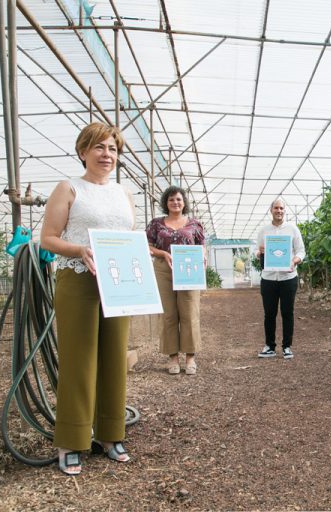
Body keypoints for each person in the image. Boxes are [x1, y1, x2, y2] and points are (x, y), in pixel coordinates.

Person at [40, 122, 135, 476]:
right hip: (78, 280)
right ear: (83, 152)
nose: (106, 154)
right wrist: (80, 249)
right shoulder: (68, 189)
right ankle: (72, 440)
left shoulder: (124, 194)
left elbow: (129, 236)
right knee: (79, 360)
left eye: (112, 149)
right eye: (99, 147)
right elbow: (48, 239)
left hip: (118, 281)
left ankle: (110, 434)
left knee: (114, 357)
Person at [146, 186, 206, 375]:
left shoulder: (194, 224)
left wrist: (202, 259)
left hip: (188, 269)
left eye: (179, 199)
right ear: (166, 202)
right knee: (168, 314)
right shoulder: (156, 224)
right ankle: (173, 358)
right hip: (164, 269)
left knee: (189, 312)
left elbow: (202, 246)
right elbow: (147, 246)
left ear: (184, 202)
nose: (175, 202)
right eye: (171, 199)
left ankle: (190, 358)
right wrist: (163, 253)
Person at [256, 198, 305, 359]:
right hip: (269, 278)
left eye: (281, 208)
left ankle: (287, 346)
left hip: (288, 277)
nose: (279, 211)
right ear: (271, 210)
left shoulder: (292, 229)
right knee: (269, 313)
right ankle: (269, 346)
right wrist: (260, 252)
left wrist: (293, 261)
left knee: (287, 312)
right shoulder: (264, 231)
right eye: (276, 208)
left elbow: (301, 252)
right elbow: (258, 252)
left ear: (285, 210)